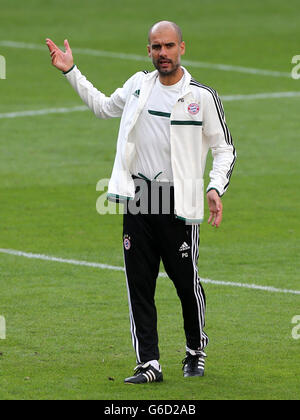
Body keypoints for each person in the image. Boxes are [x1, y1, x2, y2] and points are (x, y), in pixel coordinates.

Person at [46, 21, 236, 384]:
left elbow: (224, 147)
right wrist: (71, 71)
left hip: (178, 201)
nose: (162, 53)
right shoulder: (138, 85)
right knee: (139, 284)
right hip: (138, 198)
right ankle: (149, 363)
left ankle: (195, 351)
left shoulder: (201, 97)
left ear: (182, 47)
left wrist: (215, 187)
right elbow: (103, 107)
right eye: (155, 47)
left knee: (185, 283)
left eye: (168, 46)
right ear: (147, 51)